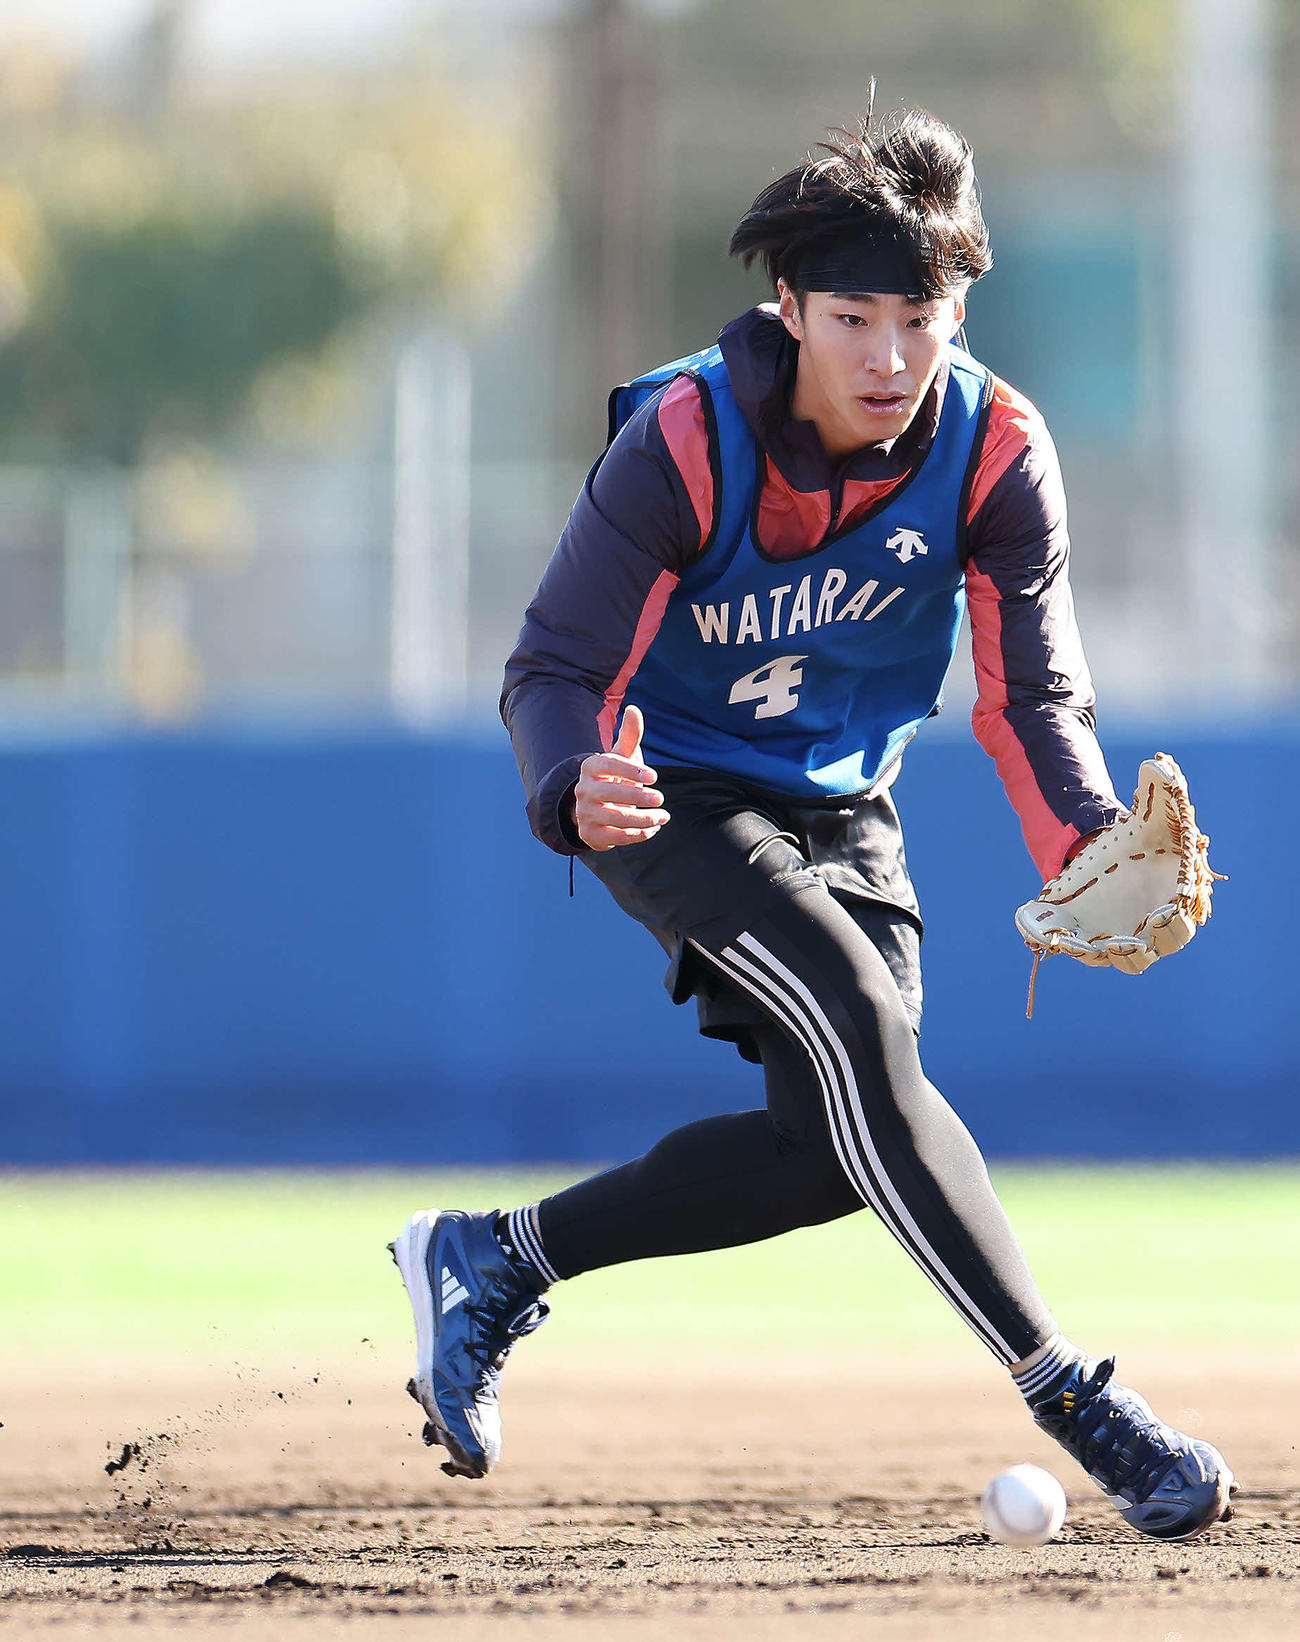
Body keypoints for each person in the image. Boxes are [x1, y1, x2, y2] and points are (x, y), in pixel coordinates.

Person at [390, 104, 1236, 1541]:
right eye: (855, 315)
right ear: (790, 309)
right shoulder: (687, 439)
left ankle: (493, 1255)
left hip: (844, 799)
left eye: (925, 314)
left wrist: (1085, 837)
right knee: (860, 1024)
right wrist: (566, 785)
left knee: (839, 1137)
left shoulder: (992, 447)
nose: (893, 355)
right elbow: (554, 665)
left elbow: (1031, 693)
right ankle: (1075, 1395)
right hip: (668, 787)